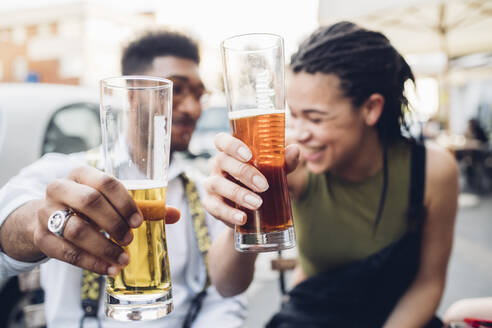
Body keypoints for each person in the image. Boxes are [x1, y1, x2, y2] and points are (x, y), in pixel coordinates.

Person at [203, 22, 459, 327]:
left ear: (371, 108)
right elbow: (226, 285)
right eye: (293, 115)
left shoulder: (433, 171)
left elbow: (427, 284)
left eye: (315, 118)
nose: (299, 133)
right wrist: (239, 213)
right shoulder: (291, 165)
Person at [0, 30, 245, 328]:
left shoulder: (202, 186)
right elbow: (10, 214)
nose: (193, 108)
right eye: (176, 90)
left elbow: (226, 299)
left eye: (198, 94)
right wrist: (38, 224)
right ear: (132, 95)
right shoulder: (69, 171)